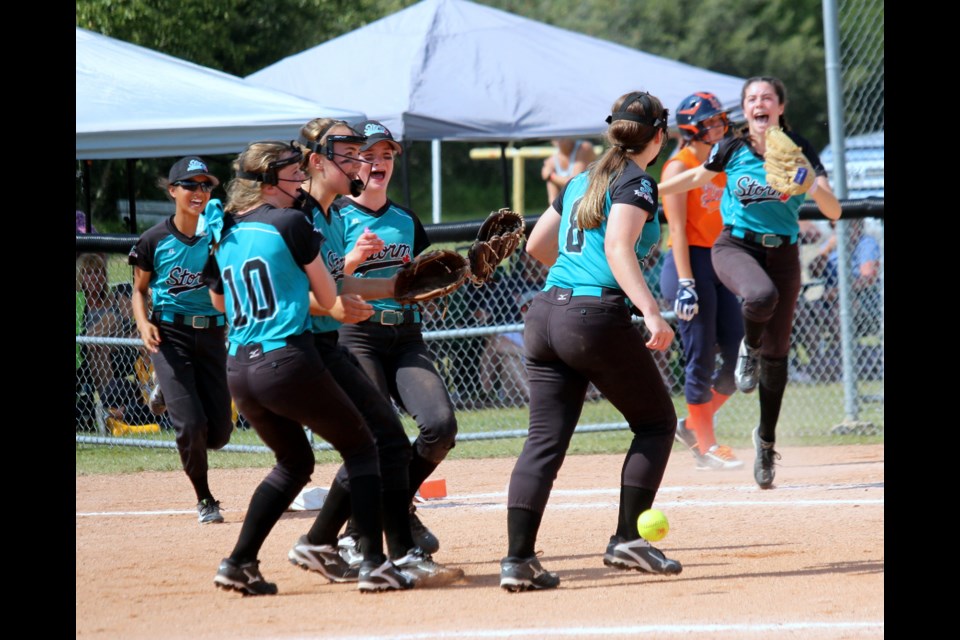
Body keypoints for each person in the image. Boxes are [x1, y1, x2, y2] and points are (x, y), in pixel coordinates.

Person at [204, 140, 410, 595]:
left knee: (294, 463)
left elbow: (219, 300)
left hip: (239, 365)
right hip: (287, 359)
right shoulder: (293, 223)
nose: (299, 178)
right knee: (363, 448)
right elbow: (328, 293)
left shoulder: (230, 227)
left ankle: (239, 562)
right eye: (291, 172)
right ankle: (374, 564)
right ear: (266, 180)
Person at [500, 91, 682, 592]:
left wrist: (572, 283)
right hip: (593, 315)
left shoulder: (582, 178)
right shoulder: (637, 181)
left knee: (543, 442)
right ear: (659, 137)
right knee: (656, 422)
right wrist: (650, 311)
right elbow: (619, 247)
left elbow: (538, 245)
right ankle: (627, 538)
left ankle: (518, 560)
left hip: (545, 311)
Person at [293, 118, 461, 587]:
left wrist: (445, 283)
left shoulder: (406, 220)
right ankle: (377, 536)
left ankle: (391, 513)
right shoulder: (334, 217)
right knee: (375, 437)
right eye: (368, 155)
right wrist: (355, 262)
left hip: (405, 337)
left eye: (386, 155)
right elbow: (322, 284)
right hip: (358, 336)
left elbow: (418, 284)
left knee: (440, 426)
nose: (378, 163)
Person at [658, 76, 842, 489]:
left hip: (785, 254)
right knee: (760, 296)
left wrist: (809, 181)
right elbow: (691, 180)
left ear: (780, 106)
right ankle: (749, 347)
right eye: (751, 99)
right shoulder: (732, 147)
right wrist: (646, 189)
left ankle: (766, 442)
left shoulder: (799, 149)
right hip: (735, 246)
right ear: (746, 110)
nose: (759, 104)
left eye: (767, 98)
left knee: (778, 360)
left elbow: (832, 210)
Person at [128, 157, 233, 524]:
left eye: (206, 186)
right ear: (172, 190)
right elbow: (139, 290)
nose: (199, 192)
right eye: (190, 185)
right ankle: (205, 498)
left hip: (212, 334)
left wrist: (224, 241)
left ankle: (169, 390)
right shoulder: (154, 239)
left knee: (218, 433)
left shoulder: (219, 234)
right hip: (169, 334)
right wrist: (142, 324)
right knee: (190, 425)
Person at [657, 92, 745, 471]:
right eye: (709, 122)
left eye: (719, 120)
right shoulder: (679, 166)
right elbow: (676, 227)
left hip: (720, 259)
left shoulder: (721, 161)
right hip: (687, 263)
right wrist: (688, 283)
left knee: (742, 353)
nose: (718, 126)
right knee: (701, 355)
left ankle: (691, 425)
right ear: (691, 129)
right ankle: (706, 445)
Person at [76, 253, 117, 431]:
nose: (95, 277)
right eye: (89, 273)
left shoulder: (113, 300)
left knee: (99, 346)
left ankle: (108, 408)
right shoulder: (79, 302)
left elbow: (117, 322)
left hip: (115, 352)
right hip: (83, 352)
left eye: (99, 272)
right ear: (80, 276)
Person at [541, 138, 597, 204]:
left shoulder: (584, 148)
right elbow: (552, 200)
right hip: (570, 206)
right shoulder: (551, 161)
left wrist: (551, 176)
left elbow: (576, 183)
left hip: (591, 202)